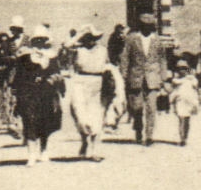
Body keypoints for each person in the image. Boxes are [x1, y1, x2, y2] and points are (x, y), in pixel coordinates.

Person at [13, 25, 63, 164]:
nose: (39, 42)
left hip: (46, 93)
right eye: (37, 40)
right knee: (29, 121)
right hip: (29, 93)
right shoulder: (25, 56)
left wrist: (52, 80)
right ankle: (31, 154)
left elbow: (56, 73)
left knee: (45, 122)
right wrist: (16, 92)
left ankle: (44, 150)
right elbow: (19, 75)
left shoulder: (51, 56)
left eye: (42, 39)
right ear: (33, 41)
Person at [64, 29, 113, 160]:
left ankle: (94, 150)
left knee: (96, 115)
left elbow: (108, 65)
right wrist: (80, 34)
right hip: (80, 82)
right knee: (80, 115)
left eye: (93, 37)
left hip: (98, 83)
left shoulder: (103, 50)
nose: (91, 40)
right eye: (88, 37)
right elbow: (66, 46)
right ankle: (85, 139)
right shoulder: (78, 50)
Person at [119, 13, 167, 146]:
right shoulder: (131, 39)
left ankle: (149, 135)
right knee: (137, 107)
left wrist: (164, 78)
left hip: (152, 78)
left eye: (149, 26)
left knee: (151, 108)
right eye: (144, 25)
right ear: (140, 26)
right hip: (136, 76)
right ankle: (138, 130)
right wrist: (124, 75)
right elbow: (125, 57)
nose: (147, 28)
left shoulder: (157, 40)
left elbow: (162, 59)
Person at [167, 57, 201, 147]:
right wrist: (171, 100)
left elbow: (196, 88)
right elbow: (172, 91)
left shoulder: (192, 80)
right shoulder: (176, 81)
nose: (182, 71)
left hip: (190, 101)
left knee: (187, 120)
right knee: (181, 119)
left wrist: (198, 100)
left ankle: (185, 137)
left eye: (184, 69)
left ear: (187, 69)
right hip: (180, 101)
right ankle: (182, 138)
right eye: (180, 69)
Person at [103, 24, 127, 132]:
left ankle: (112, 122)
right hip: (115, 67)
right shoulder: (115, 38)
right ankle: (110, 123)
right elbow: (114, 51)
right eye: (121, 30)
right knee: (116, 99)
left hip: (118, 66)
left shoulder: (119, 38)